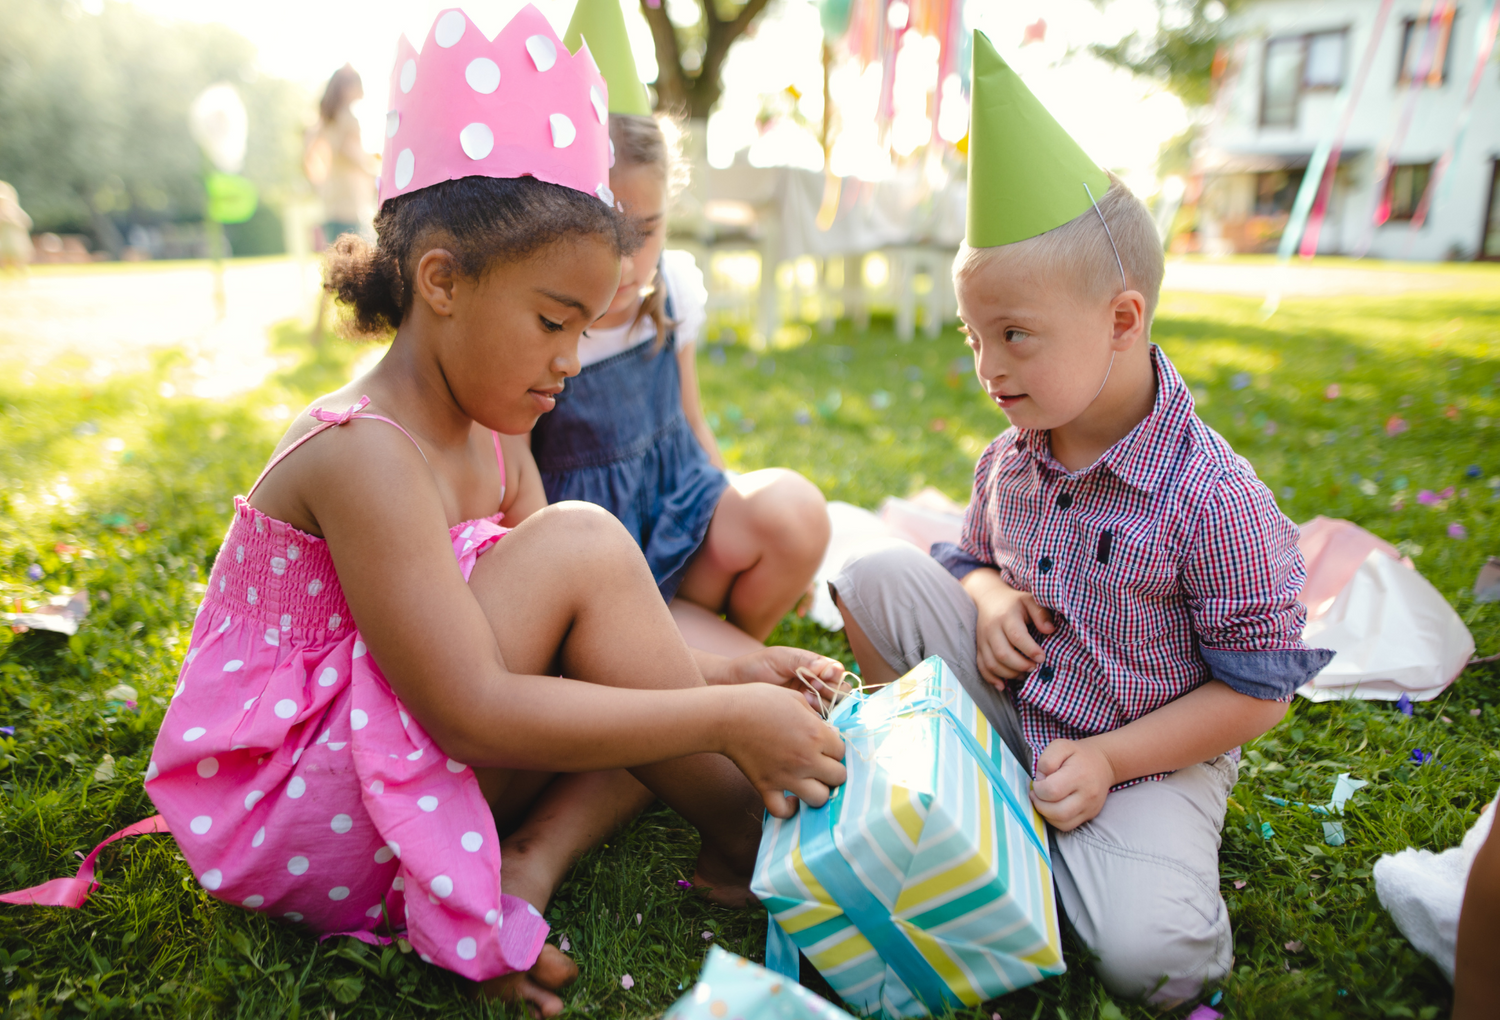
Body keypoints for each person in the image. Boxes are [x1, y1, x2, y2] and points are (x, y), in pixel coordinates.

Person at [139, 9, 846, 1016]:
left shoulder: (494, 423)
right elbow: (468, 709)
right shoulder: (365, 450)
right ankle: (751, 834)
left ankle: (680, 839)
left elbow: (588, 642)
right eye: (554, 321)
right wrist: (724, 713)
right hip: (307, 805)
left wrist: (731, 669)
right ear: (441, 280)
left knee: (620, 662)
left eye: (583, 328)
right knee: (592, 561)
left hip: (413, 742)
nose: (571, 360)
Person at [828, 32, 1333, 1007]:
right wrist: (986, 598)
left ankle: (1028, 848)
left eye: (1015, 335)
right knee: (870, 573)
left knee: (1162, 963)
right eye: (976, 337)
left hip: (1144, 756)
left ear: (1122, 320)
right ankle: (935, 779)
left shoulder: (1212, 498)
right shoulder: (1012, 457)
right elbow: (966, 558)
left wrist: (1108, 760)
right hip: (1016, 705)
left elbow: (1258, 692)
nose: (988, 367)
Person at [530, 0, 830, 660]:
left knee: (797, 511)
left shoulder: (672, 289)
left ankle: (718, 642)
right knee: (765, 680)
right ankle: (702, 656)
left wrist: (730, 501)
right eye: (600, 235)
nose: (628, 264)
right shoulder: (535, 329)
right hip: (600, 574)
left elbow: (691, 423)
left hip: (684, 529)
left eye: (646, 232)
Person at [304, 63, 379, 341]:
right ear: (347, 88)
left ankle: (321, 329)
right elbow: (350, 154)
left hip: (334, 200)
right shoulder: (347, 118)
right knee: (353, 267)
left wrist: (319, 182)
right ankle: (346, 329)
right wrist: (374, 170)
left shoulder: (326, 121)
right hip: (348, 202)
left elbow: (311, 156)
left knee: (337, 268)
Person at [0, 181, 34, 274]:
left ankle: (20, 273)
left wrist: (12, 219)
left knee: (18, 260)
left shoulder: (13, 210)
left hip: (15, 240)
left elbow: (27, 222)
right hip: (4, 240)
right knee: (4, 260)